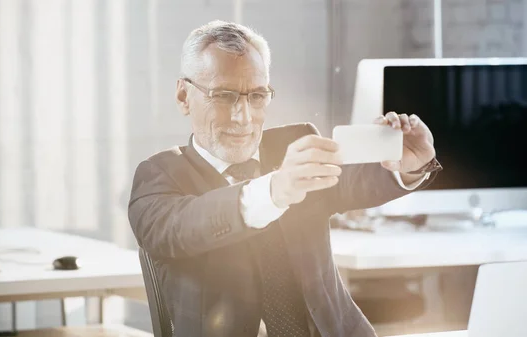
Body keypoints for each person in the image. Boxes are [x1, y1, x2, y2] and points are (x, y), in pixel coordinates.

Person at [128, 20, 442, 337]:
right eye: (223, 96)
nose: (244, 117)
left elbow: (352, 181)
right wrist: (275, 190)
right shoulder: (159, 177)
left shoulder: (294, 143)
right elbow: (185, 227)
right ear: (184, 96)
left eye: (257, 96)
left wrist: (408, 166)